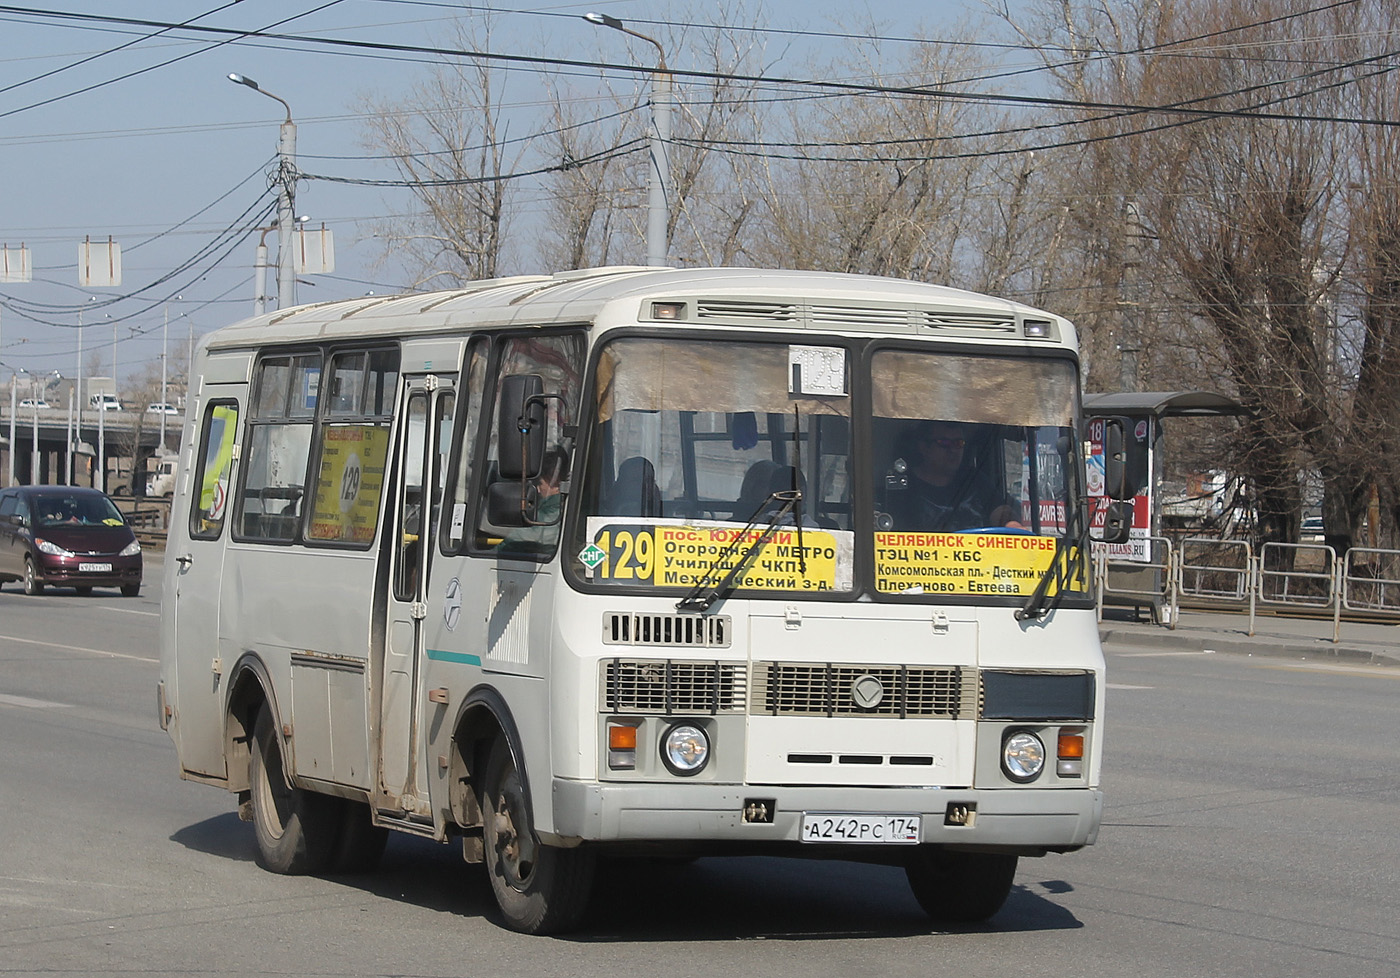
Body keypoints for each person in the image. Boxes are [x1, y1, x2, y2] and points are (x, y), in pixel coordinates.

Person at [888, 420, 1022, 532]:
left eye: (958, 444)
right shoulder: (902, 486)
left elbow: (1000, 510)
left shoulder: (974, 480)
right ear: (924, 447)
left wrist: (1012, 524)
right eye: (944, 443)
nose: (953, 450)